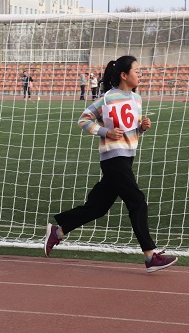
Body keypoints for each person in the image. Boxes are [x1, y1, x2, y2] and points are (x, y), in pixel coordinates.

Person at [44, 55, 178, 273]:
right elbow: (84, 120)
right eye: (137, 71)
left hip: (127, 157)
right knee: (137, 201)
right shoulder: (107, 98)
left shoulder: (137, 99)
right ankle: (150, 256)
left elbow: (130, 130)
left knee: (97, 207)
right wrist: (105, 131)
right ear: (124, 75)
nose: (140, 74)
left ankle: (58, 231)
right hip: (113, 159)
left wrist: (141, 128)